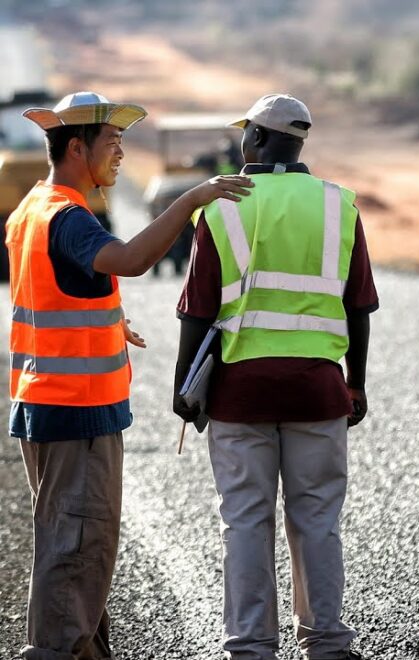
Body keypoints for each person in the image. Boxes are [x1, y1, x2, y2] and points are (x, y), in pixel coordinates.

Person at [6, 91, 252, 659]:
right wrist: (192, 198)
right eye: (112, 142)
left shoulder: (32, 208)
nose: (120, 152)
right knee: (78, 548)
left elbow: (55, 290)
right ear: (76, 147)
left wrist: (109, 316)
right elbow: (132, 259)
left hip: (45, 401)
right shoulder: (68, 216)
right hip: (76, 410)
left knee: (75, 548)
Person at [172, 93, 378, 660]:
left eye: (246, 134)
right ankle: (326, 642)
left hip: (240, 394)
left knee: (244, 521)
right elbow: (359, 306)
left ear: (258, 140)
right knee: (316, 520)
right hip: (318, 389)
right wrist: (354, 383)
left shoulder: (221, 207)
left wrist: (182, 386)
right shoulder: (340, 206)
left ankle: (250, 647)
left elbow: (196, 310)